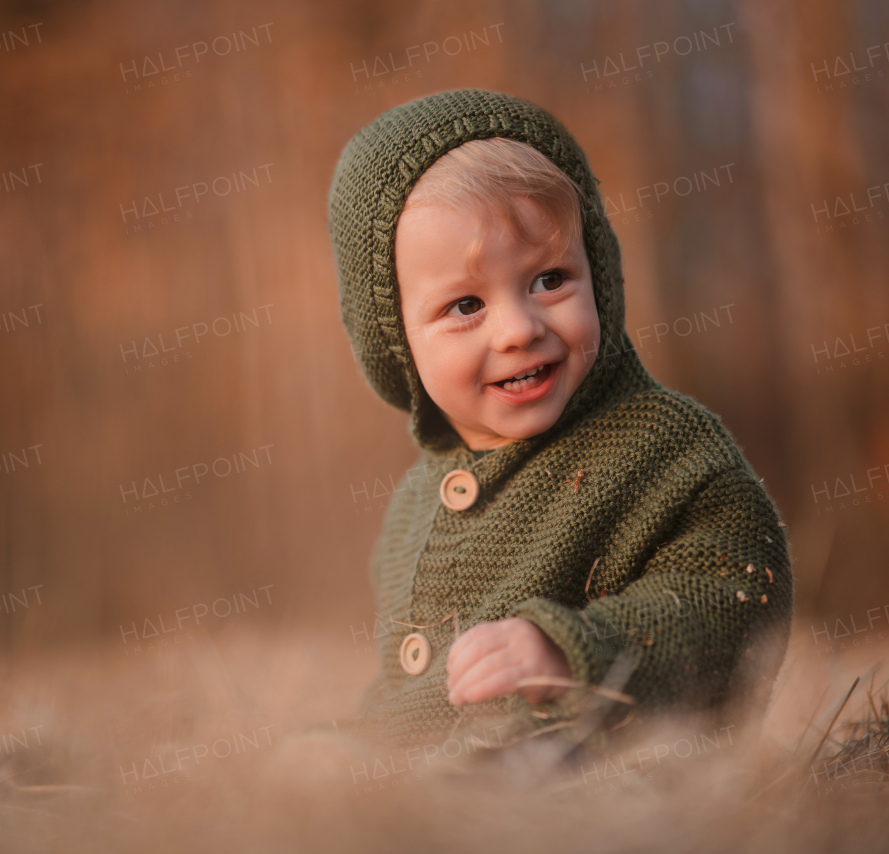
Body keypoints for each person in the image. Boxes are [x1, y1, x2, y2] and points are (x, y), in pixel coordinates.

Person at [324, 88, 792, 754]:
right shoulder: (410, 513)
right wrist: (349, 746)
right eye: (464, 305)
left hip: (602, 780)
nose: (520, 328)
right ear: (394, 343)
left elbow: (735, 598)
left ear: (598, 273)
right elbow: (413, 703)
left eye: (549, 279)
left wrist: (574, 653)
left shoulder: (665, 449)